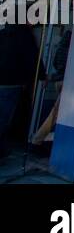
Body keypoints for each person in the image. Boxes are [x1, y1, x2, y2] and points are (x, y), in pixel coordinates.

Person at [0, 21, 39, 157]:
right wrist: (41, 75)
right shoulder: (25, 35)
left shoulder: (3, 31)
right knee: (4, 118)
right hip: (12, 82)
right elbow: (33, 57)